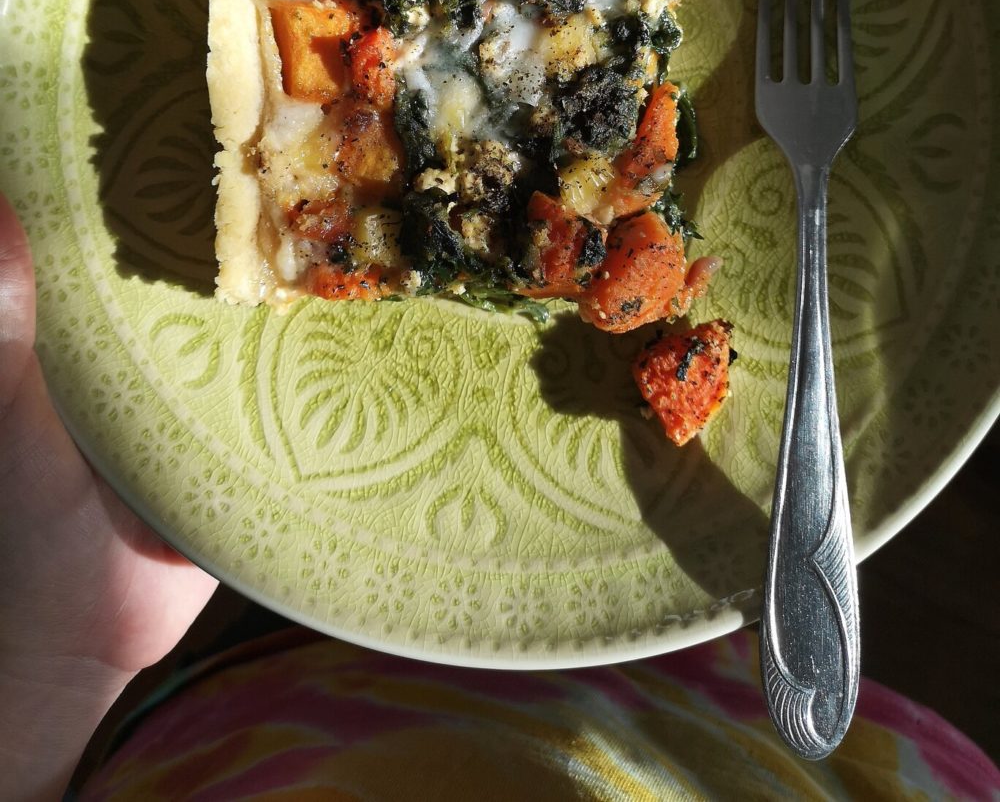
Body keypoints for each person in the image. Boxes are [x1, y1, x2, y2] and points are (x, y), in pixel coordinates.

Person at [1, 192, 997, 802]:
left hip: (212, 737)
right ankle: (669, 653)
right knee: (685, 634)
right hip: (752, 745)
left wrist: (51, 677)